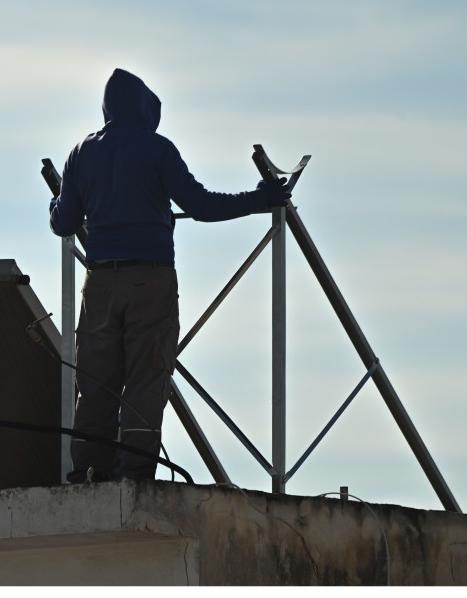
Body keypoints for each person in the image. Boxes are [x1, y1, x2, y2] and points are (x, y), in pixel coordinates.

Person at [49, 68, 290, 483]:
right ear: (145, 108)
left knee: (95, 380)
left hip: (100, 283)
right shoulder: (156, 148)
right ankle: (134, 472)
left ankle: (88, 470)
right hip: (150, 279)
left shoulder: (80, 153)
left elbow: (63, 223)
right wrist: (260, 198)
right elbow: (200, 204)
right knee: (146, 376)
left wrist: (55, 202)